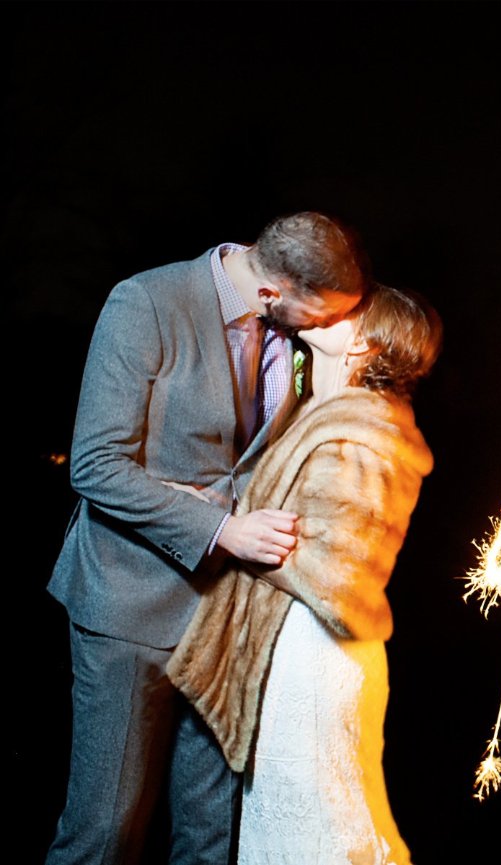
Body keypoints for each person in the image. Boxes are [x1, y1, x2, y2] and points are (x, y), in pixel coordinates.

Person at [46, 212, 367, 864]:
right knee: (106, 834)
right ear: (272, 292)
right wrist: (222, 528)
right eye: (323, 317)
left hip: (231, 617)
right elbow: (96, 465)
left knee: (212, 837)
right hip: (132, 603)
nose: (329, 329)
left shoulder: (297, 332)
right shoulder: (146, 303)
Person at [167, 284, 441, 864]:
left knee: (321, 828)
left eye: (349, 310)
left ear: (364, 341)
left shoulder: (367, 431)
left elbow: (336, 574)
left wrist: (223, 531)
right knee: (288, 827)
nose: (326, 305)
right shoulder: (324, 413)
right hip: (289, 646)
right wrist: (218, 515)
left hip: (314, 654)